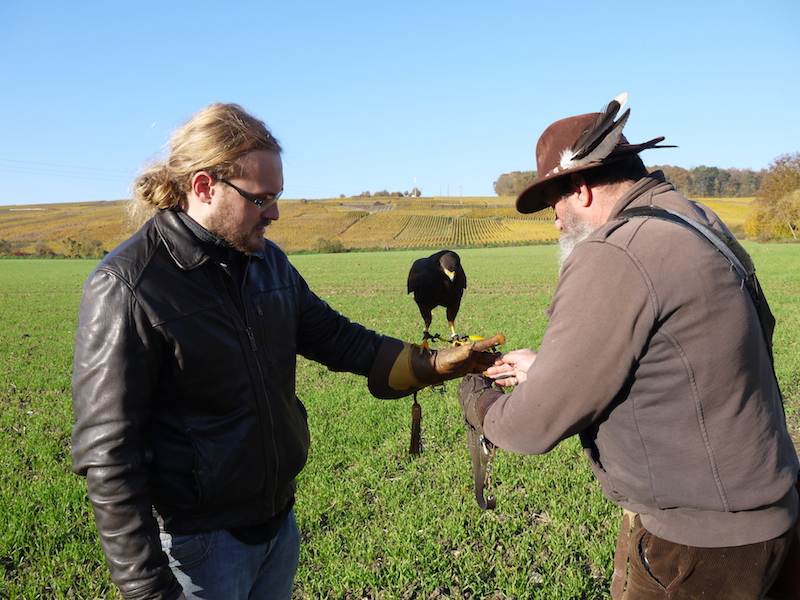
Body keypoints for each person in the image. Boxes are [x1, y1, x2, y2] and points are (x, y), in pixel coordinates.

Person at [70, 102, 504, 600]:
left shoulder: (266, 262)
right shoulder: (128, 286)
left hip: (279, 528)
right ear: (204, 187)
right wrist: (148, 590)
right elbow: (108, 455)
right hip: (197, 550)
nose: (274, 213)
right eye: (261, 199)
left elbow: (339, 339)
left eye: (277, 196)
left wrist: (431, 364)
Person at [458, 94, 799, 599]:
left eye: (554, 202)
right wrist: (546, 367)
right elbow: (676, 360)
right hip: (772, 517)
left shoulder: (615, 252)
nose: (554, 220)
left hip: (699, 546)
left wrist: (479, 402)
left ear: (581, 189)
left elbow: (531, 427)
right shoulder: (693, 220)